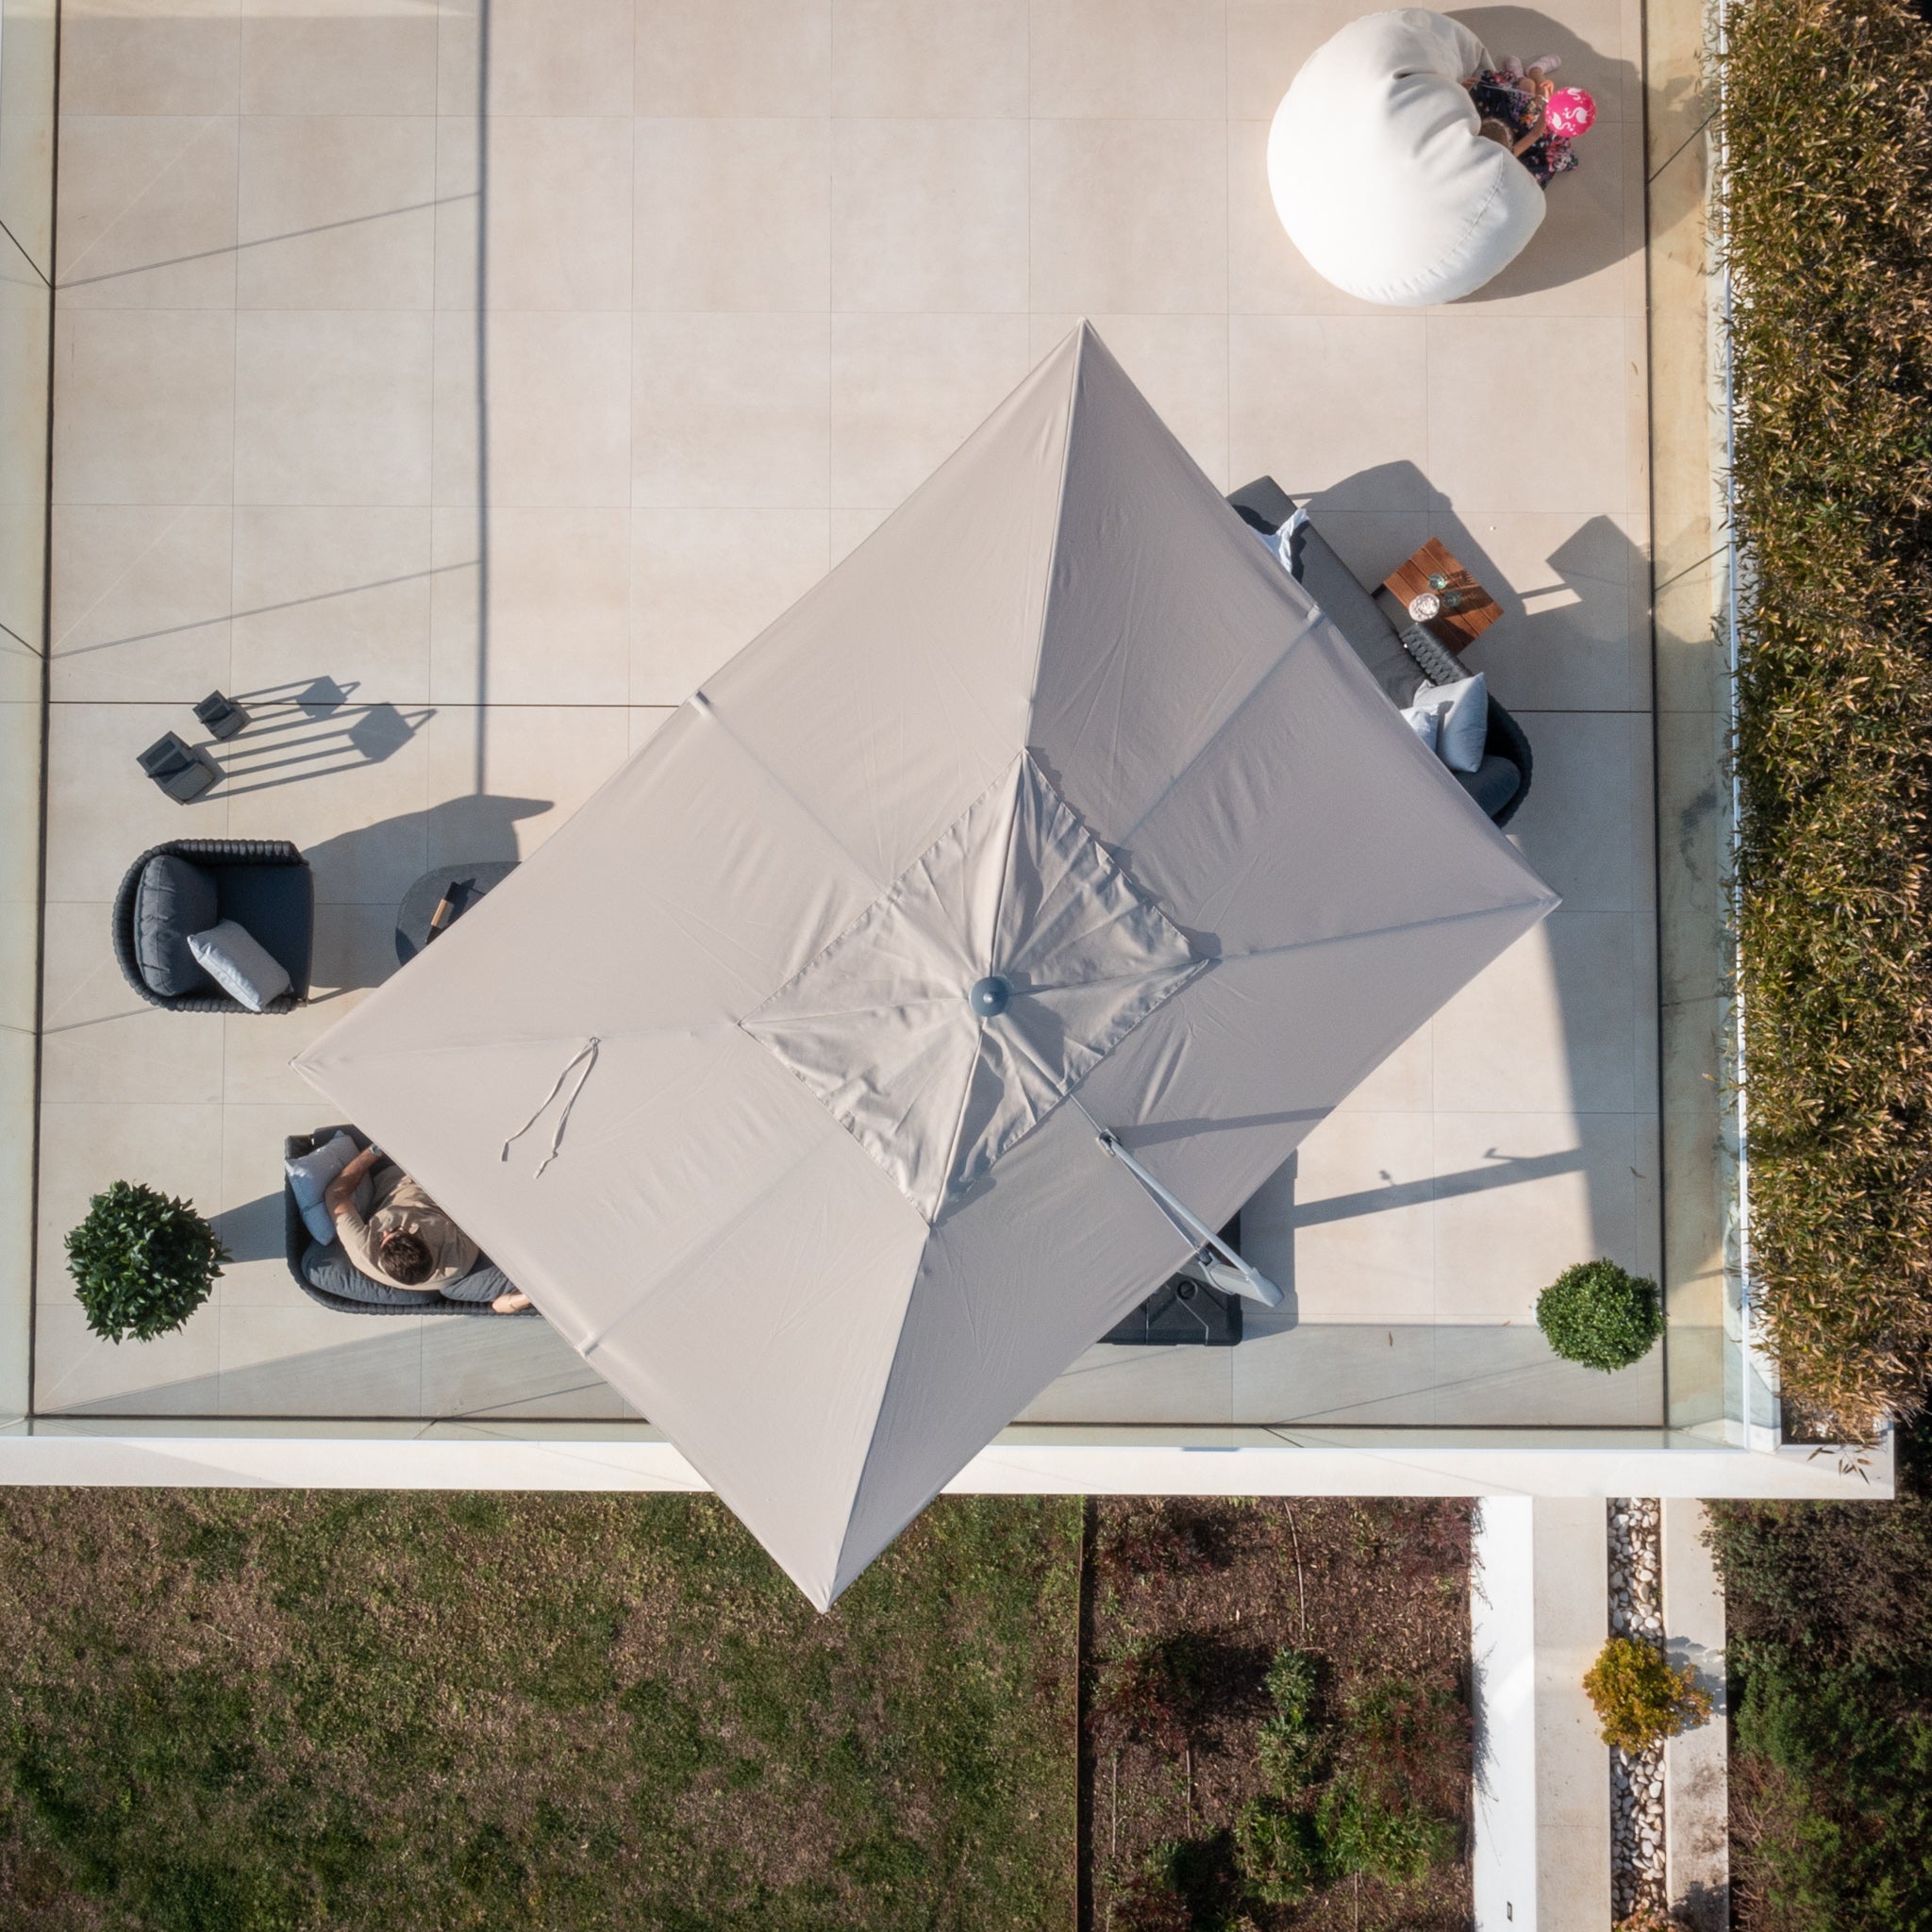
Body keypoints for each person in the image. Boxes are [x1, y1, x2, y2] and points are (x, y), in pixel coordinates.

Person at [324, 1143, 531, 1313]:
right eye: (394, 1231)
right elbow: (473, 1205)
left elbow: (335, 1194)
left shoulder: (364, 1249)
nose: (384, 1232)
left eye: (384, 1237)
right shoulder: (459, 1254)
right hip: (444, 1179)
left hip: (402, 1174)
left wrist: (376, 1150)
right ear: (422, 1239)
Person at [1463, 53, 1586, 187]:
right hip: (1524, 137)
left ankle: (1520, 76)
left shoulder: (1468, 143)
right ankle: (1536, 72)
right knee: (1531, 88)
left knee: (1525, 89)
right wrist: (1548, 106)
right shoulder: (1506, 156)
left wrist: (1463, 90)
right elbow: (1536, 132)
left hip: (1496, 112)